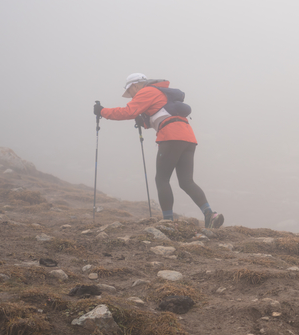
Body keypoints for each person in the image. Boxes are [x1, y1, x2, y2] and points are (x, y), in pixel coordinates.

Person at [93, 73, 224, 229]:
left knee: (162, 179)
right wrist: (144, 122)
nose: (131, 96)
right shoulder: (159, 92)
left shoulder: (146, 91)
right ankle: (210, 214)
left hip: (170, 136)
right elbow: (161, 114)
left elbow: (128, 112)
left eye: (130, 91)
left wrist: (102, 111)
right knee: (186, 182)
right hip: (188, 138)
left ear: (135, 85)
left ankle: (167, 221)